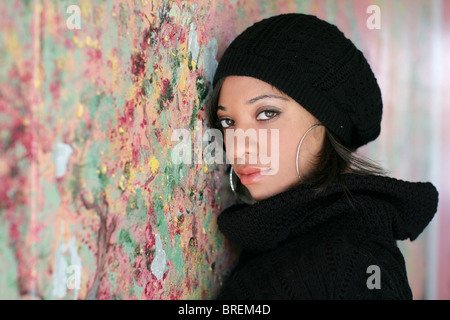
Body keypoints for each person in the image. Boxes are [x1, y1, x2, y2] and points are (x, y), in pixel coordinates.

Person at [206, 13, 439, 299]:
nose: (238, 147)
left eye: (267, 114)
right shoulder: (292, 233)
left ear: (326, 125)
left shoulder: (354, 267)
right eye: (228, 122)